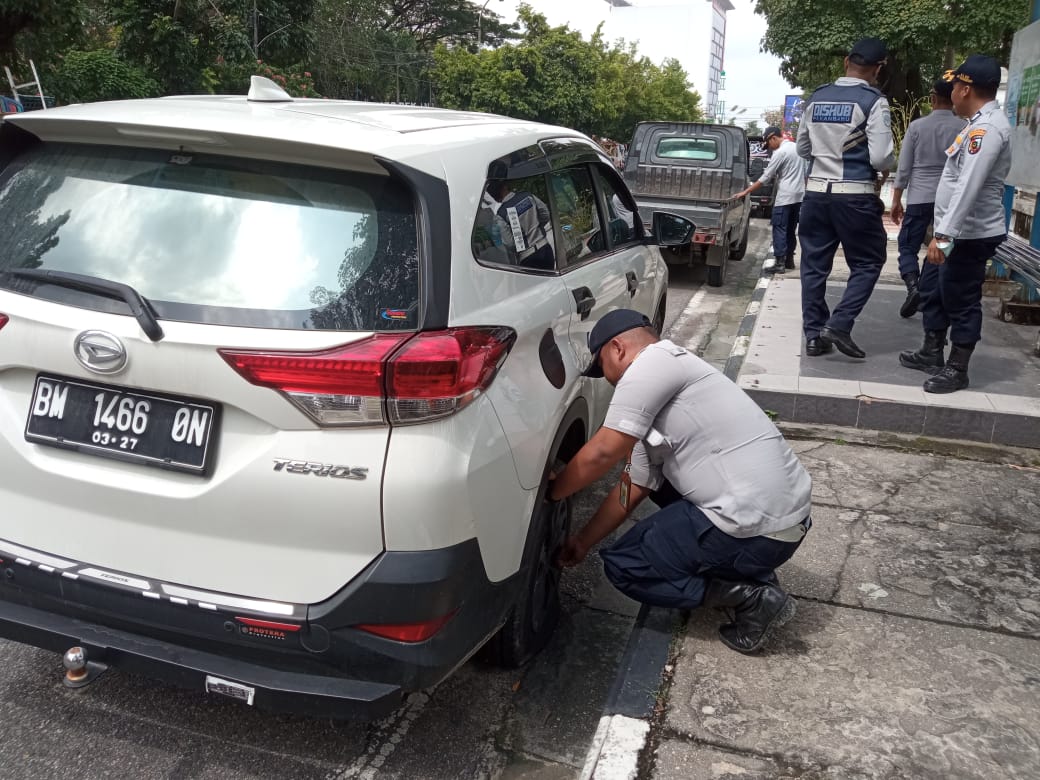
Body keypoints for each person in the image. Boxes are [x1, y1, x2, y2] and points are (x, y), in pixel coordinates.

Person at [549, 309, 812, 654]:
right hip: (785, 526)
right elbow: (633, 486)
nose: (608, 380)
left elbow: (602, 452)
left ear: (617, 348)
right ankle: (748, 574)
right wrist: (583, 541)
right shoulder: (679, 374)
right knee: (661, 487)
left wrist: (551, 492)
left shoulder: (650, 365)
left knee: (626, 564)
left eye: (602, 369)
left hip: (755, 530)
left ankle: (751, 597)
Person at [898, 56, 1011, 393]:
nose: (954, 95)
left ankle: (958, 368)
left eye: (956, 88)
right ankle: (932, 351)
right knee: (933, 290)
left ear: (964, 89)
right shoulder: (974, 123)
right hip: (954, 231)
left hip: (969, 234)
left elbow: (969, 184)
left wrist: (944, 235)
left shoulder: (986, 129)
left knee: (961, 299)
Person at [796, 37, 895, 358]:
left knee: (813, 267)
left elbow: (802, 149)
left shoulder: (817, 98)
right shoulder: (873, 101)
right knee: (868, 262)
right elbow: (881, 159)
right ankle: (839, 324)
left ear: (846, 62)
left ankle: (814, 336)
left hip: (814, 195)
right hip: (854, 197)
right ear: (878, 68)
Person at [890, 77, 965, 318]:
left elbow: (904, 167)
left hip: (920, 196)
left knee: (908, 246)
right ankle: (925, 291)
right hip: (949, 199)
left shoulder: (917, 127)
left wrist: (896, 198)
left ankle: (913, 286)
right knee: (939, 248)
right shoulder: (963, 127)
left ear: (932, 98)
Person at [736, 126, 806, 274]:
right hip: (799, 196)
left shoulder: (780, 153)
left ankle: (779, 263)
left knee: (779, 228)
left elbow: (766, 177)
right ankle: (789, 261)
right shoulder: (798, 148)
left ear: (773, 138)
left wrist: (746, 191)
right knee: (791, 230)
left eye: (769, 144)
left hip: (785, 196)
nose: (770, 149)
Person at [485, 179, 556, 270]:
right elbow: (545, 214)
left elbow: (510, 243)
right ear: (505, 186)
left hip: (527, 258)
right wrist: (537, 227)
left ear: (495, 197)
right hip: (545, 248)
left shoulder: (501, 214)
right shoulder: (527, 196)